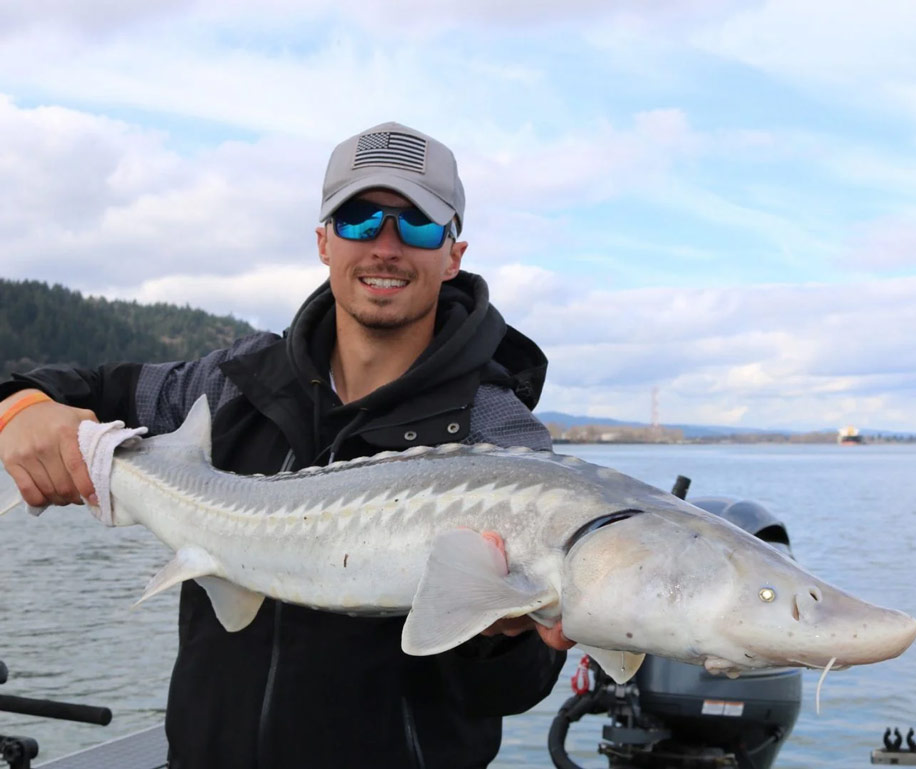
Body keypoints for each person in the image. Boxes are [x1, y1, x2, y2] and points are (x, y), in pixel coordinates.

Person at [0, 121, 571, 768]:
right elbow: (88, 387)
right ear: (324, 241)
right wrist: (20, 409)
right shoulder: (234, 383)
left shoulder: (498, 440)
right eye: (358, 220)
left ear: (453, 253)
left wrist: (498, 636)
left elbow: (517, 687)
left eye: (415, 225)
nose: (385, 246)